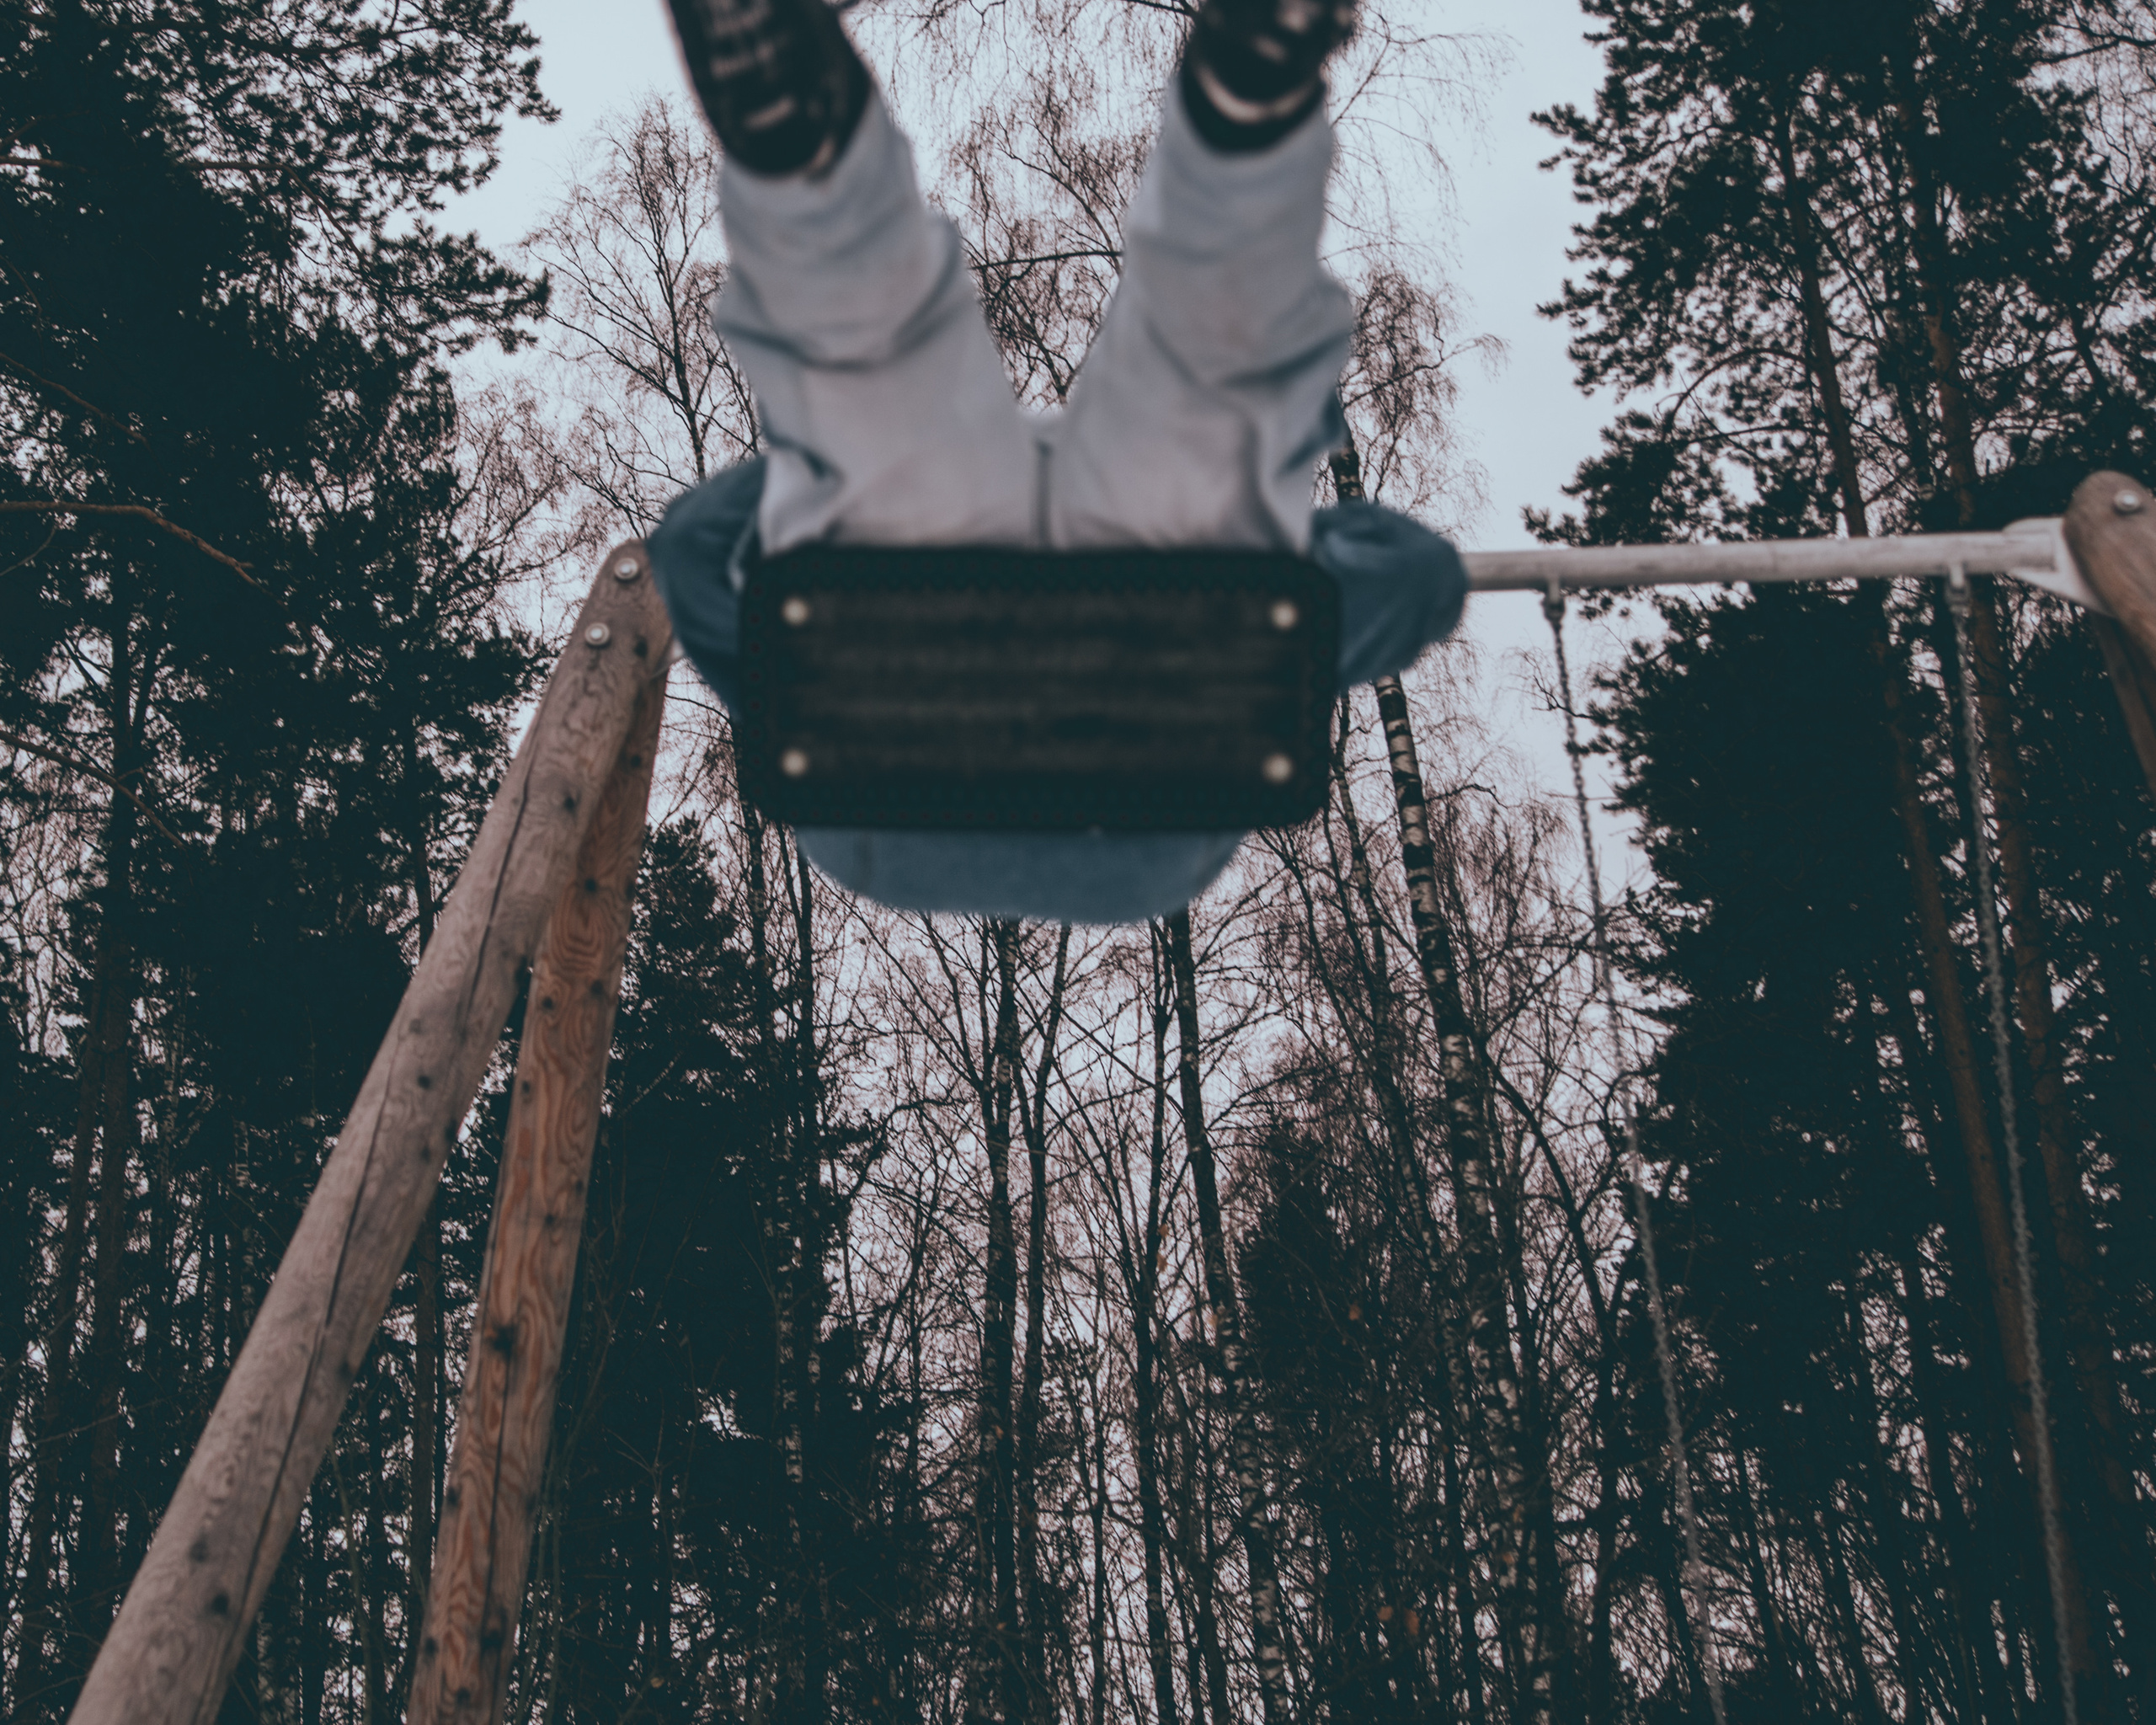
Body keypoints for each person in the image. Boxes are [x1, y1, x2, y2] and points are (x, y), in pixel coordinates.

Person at [647, 0, 1468, 924]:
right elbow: (693, 548)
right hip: (890, 774)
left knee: (1210, 395)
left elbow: (1416, 576)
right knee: (862, 380)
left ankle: (1250, 116)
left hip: (1125, 767)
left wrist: (1292, 588)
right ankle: (806, 174)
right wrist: (799, 485)